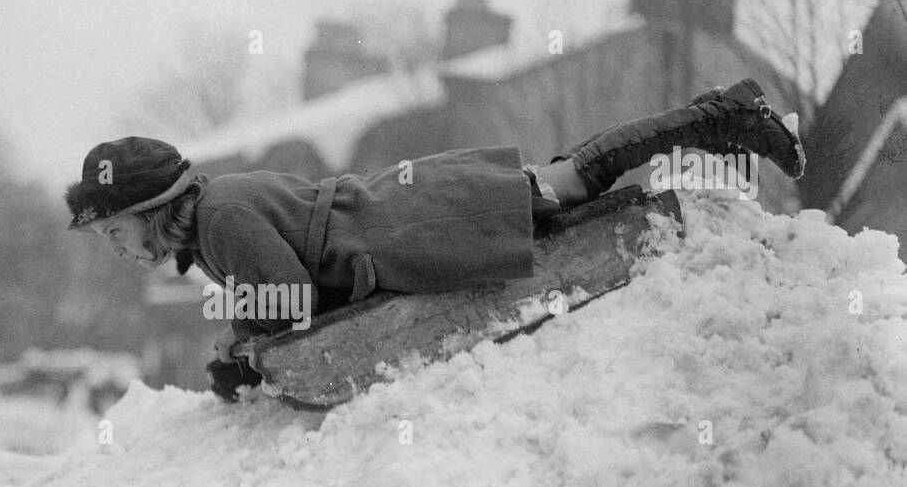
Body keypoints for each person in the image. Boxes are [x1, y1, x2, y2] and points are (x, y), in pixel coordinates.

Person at [65, 78, 803, 393]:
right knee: (573, 182)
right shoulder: (218, 222)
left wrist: (242, 346)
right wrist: (242, 345)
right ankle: (720, 119)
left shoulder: (222, 217)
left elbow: (290, 302)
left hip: (418, 222)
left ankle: (725, 115)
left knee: (576, 178)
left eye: (116, 231)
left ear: (155, 207)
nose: (118, 248)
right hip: (412, 217)